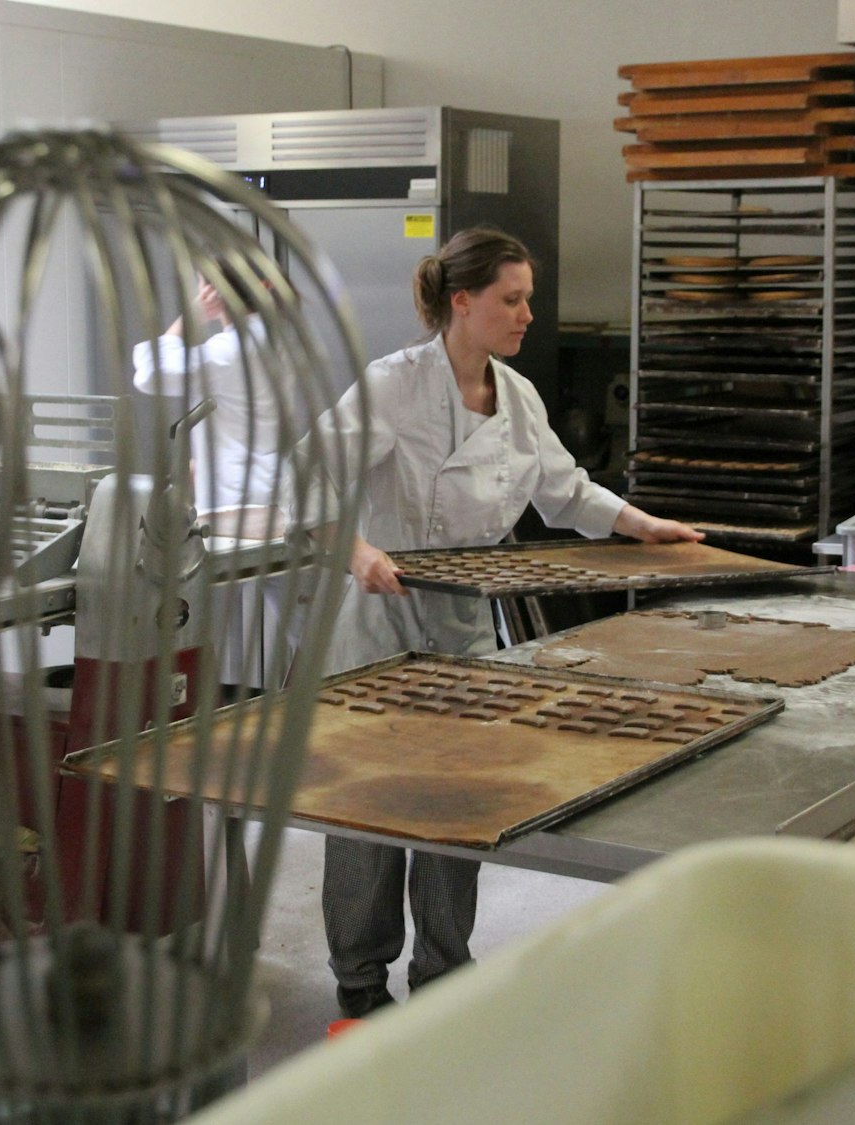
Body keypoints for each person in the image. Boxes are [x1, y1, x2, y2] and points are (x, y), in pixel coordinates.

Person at [292, 227, 702, 1018]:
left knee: (459, 807)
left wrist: (642, 524)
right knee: (371, 816)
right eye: (511, 300)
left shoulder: (516, 396)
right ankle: (361, 987)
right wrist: (357, 552)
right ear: (463, 301)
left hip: (468, 632)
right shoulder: (393, 387)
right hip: (380, 629)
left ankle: (444, 982)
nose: (525, 315)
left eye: (528, 300)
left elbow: (565, 491)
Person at [131, 274, 285, 517]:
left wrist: (191, 316)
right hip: (269, 486)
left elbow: (151, 373)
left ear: (212, 292)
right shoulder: (275, 337)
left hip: (236, 499)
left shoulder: (232, 348)